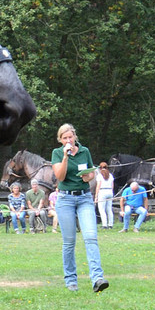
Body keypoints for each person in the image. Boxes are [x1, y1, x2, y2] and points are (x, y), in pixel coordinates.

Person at [50, 123, 107, 292]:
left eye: (70, 137)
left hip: (84, 198)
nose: (69, 140)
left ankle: (97, 278)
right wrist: (66, 157)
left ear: (75, 136)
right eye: (65, 138)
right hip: (65, 199)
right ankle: (70, 280)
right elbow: (59, 176)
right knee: (69, 242)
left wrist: (89, 176)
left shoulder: (85, 151)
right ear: (60, 140)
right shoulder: (57, 153)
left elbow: (92, 173)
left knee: (90, 237)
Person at [93, 162, 116, 227]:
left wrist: (96, 196)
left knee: (102, 209)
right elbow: (112, 185)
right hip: (109, 191)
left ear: (100, 168)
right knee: (109, 209)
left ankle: (104, 224)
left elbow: (98, 186)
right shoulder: (110, 175)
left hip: (102, 191)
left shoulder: (99, 175)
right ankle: (111, 224)